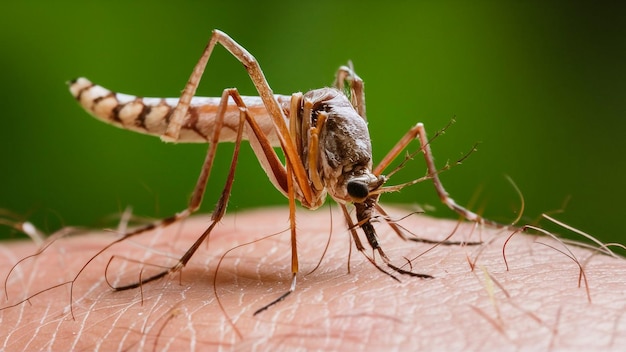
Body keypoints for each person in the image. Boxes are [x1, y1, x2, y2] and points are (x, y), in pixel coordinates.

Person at [1, 207, 624, 350]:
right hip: (278, 117)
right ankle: (199, 223)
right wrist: (296, 277)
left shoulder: (360, 166)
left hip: (331, 129)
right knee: (239, 81)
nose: (364, 210)